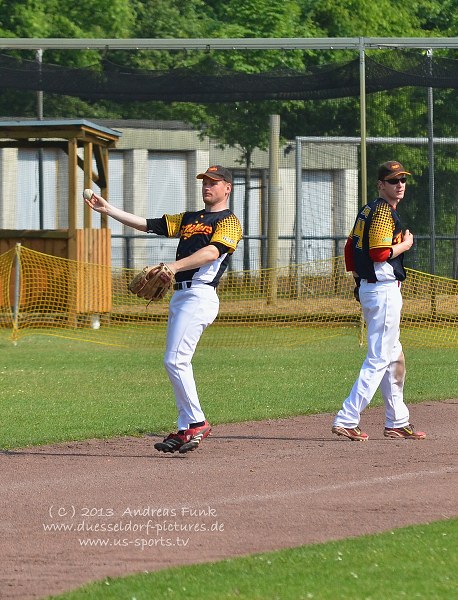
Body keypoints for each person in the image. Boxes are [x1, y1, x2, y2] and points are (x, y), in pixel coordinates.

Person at [84, 165, 242, 454]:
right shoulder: (190, 218)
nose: (207, 186)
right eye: (205, 181)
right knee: (175, 361)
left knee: (175, 361)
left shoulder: (229, 221)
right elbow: (148, 224)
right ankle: (185, 429)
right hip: (180, 298)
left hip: (200, 296)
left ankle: (196, 422)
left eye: (214, 182)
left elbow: (212, 252)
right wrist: (108, 210)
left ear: (227, 188)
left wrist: (174, 265)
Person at [332, 160, 426, 441]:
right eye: (393, 180)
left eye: (402, 180)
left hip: (373, 288)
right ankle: (347, 417)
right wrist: (406, 245)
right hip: (382, 289)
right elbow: (379, 253)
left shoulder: (369, 209)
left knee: (394, 353)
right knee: (380, 357)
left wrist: (359, 281)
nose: (400, 185)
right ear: (380, 184)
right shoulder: (383, 211)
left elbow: (350, 249)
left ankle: (397, 420)